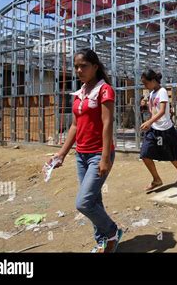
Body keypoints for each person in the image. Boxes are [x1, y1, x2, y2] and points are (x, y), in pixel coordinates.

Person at [47, 48, 123, 253]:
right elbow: (75, 126)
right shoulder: (80, 92)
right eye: (76, 66)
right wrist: (61, 153)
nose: (79, 70)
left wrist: (105, 158)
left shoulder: (104, 90)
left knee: (83, 202)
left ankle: (113, 231)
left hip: (99, 153)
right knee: (94, 199)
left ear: (95, 67)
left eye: (84, 66)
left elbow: (107, 124)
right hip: (81, 155)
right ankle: (103, 241)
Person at [139, 69, 177, 191]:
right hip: (154, 129)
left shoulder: (162, 92)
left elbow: (162, 111)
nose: (145, 86)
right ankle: (156, 179)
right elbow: (154, 111)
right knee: (145, 154)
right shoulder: (151, 94)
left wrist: (149, 122)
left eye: (146, 83)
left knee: (172, 155)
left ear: (153, 81)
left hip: (165, 130)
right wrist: (145, 107)